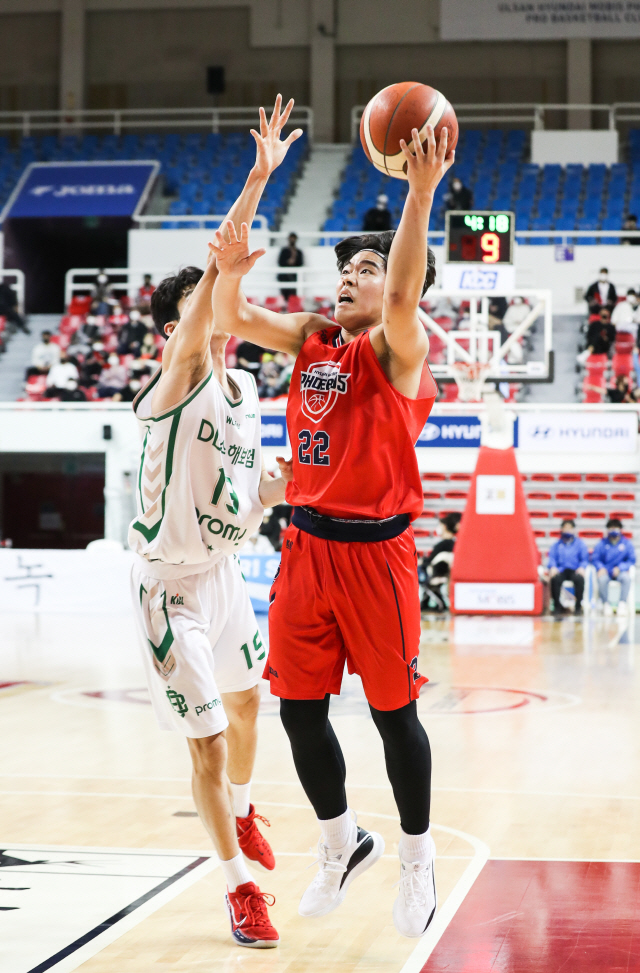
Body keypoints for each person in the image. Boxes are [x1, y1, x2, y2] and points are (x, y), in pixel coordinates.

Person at [211, 116, 454, 938]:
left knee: (395, 717)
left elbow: (401, 293)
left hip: (375, 556)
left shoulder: (398, 351)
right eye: (344, 266)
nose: (350, 277)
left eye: (367, 268)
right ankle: (340, 840)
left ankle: (418, 860)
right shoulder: (312, 342)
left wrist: (419, 195)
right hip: (305, 548)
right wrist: (254, 187)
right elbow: (229, 314)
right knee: (298, 710)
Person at [128, 95, 301, 950]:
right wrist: (256, 182)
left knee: (247, 707)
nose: (218, 306)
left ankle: (244, 805)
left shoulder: (246, 390)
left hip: (226, 573)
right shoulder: (175, 376)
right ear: (173, 328)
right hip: (169, 589)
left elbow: (253, 483)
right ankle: (238, 889)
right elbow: (209, 290)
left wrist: (288, 480)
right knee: (203, 743)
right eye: (201, 302)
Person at [592, 519, 636, 616]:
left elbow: (632, 560)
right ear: (607, 530)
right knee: (602, 579)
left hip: (620, 571)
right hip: (606, 571)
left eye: (616, 528)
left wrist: (620, 568)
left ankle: (622, 604)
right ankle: (605, 604)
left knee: (626, 579)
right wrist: (601, 568)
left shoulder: (626, 544)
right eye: (611, 528)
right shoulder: (601, 543)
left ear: (620, 529)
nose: (613, 530)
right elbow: (595, 559)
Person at [419, 512, 461, 612]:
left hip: (433, 573)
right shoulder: (455, 544)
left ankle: (429, 602)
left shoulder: (442, 545)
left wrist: (421, 562)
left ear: (445, 527)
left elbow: (430, 561)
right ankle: (426, 601)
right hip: (442, 574)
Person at [547, 519, 588, 616]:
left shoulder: (580, 544)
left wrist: (582, 567)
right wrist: (553, 567)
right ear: (561, 530)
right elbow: (551, 558)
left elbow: (584, 559)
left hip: (575, 570)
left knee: (579, 579)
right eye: (565, 529)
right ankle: (557, 606)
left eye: (570, 529)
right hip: (561, 570)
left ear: (573, 530)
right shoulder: (556, 545)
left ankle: (578, 607)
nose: (567, 531)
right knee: (555, 579)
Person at [277, 232, 304, 299]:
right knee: (284, 294)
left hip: (294, 277)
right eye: (291, 238)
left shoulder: (298, 252)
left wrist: (294, 262)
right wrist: (288, 262)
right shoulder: (284, 251)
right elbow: (280, 262)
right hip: (284, 276)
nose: (292, 240)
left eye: (293, 238)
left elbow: (301, 263)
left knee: (293, 295)